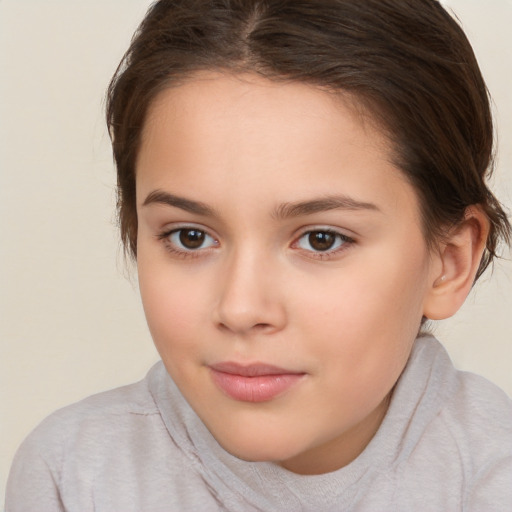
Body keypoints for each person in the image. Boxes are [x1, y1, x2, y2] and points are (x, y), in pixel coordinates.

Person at [5, 0, 512, 510]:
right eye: (190, 237)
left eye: (321, 240)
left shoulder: (493, 471)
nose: (241, 308)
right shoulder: (73, 477)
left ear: (448, 262)